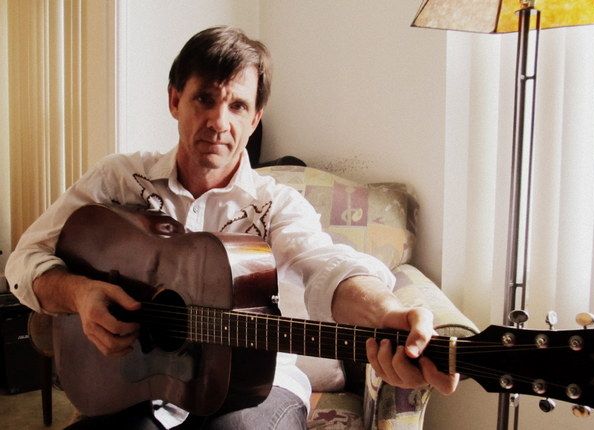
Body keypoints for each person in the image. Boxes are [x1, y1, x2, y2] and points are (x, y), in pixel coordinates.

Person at [5, 26, 458, 429]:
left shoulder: (276, 205)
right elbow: (25, 260)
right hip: (137, 386)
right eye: (205, 98)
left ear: (255, 118)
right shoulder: (119, 180)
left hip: (258, 389)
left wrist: (386, 313)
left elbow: (326, 266)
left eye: (238, 105)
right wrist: (80, 293)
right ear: (175, 100)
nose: (219, 123)